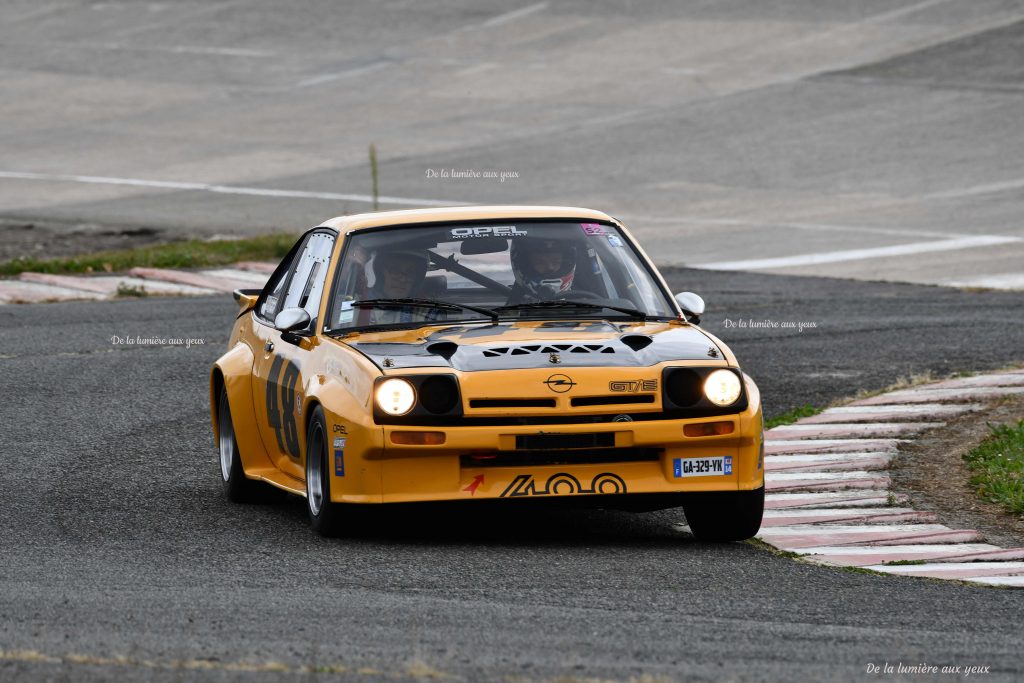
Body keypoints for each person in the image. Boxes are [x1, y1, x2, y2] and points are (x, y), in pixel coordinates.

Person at [508, 237, 578, 302]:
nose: (550, 267)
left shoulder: (582, 301)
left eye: (556, 262)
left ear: (565, 264)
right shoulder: (513, 303)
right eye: (541, 263)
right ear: (526, 265)